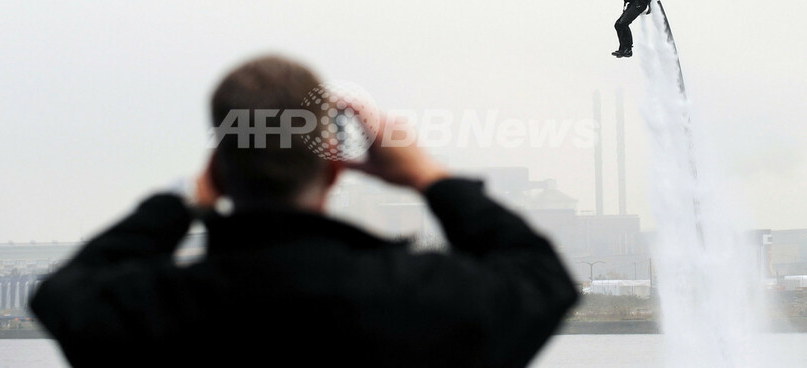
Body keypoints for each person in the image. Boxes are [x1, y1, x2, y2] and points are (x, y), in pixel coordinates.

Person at [30, 55, 578, 368]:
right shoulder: (422, 301)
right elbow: (543, 278)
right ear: (335, 169)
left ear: (219, 172)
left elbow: (63, 291)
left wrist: (181, 200)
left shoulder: (155, 312)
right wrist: (429, 178)